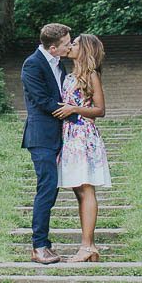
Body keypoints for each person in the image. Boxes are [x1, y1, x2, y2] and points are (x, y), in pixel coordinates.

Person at [55, 32, 112, 263]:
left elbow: (100, 110)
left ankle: (88, 246)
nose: (70, 46)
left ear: (85, 49)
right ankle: (88, 246)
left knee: (86, 189)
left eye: (75, 43)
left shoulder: (90, 75)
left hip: (83, 135)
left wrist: (74, 109)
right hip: (69, 136)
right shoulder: (69, 76)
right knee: (79, 191)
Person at [20, 23, 73, 264]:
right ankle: (39, 245)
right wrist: (76, 113)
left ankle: (45, 244)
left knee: (51, 189)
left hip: (58, 135)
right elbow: (42, 100)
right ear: (53, 48)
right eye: (66, 44)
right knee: (47, 188)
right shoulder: (32, 64)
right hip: (41, 136)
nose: (70, 46)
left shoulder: (58, 63)